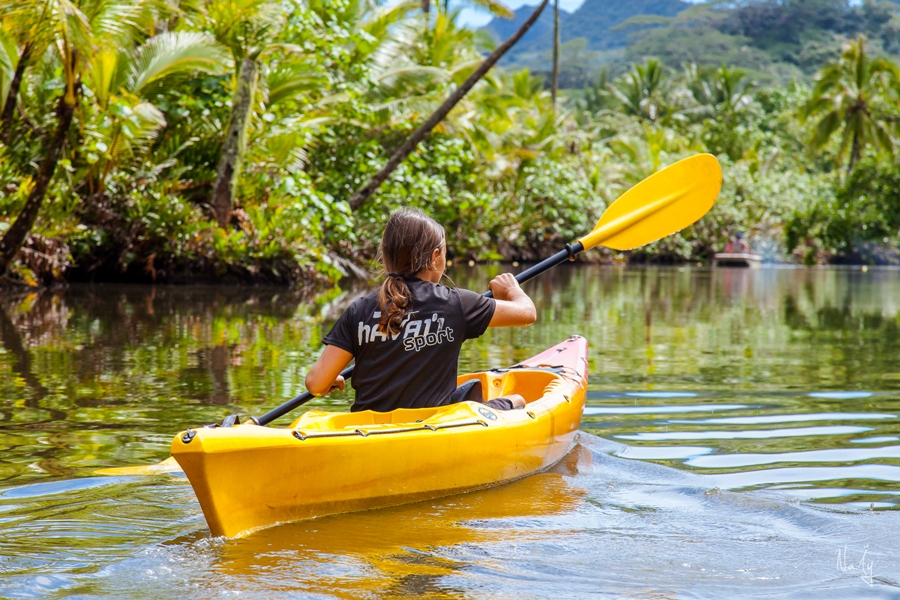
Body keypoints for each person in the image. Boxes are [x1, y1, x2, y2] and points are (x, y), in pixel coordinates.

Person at [305, 208, 536, 412]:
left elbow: (315, 384)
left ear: (387, 257)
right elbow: (527, 313)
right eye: (445, 253)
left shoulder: (358, 310)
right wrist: (511, 289)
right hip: (430, 428)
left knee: (469, 390)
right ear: (436, 257)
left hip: (370, 432)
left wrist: (331, 379)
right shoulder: (456, 303)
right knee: (516, 399)